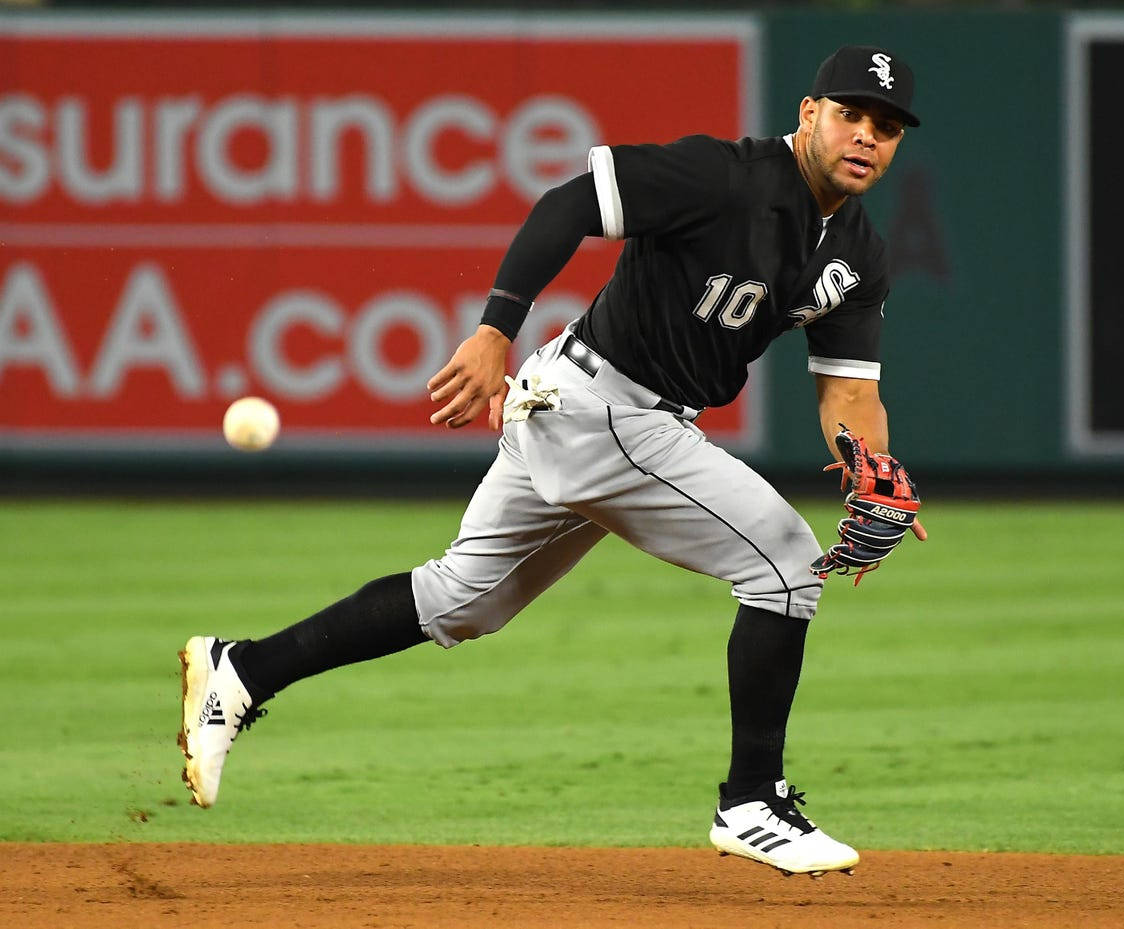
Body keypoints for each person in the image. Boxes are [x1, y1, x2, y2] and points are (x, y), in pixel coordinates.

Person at [178, 45, 924, 878]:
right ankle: (752, 799)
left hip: (585, 407)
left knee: (464, 600)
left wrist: (872, 468)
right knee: (787, 565)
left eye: (886, 127)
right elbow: (569, 204)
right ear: (809, 113)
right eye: (852, 114)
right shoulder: (722, 176)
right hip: (605, 411)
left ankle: (240, 669)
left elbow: (850, 396)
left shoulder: (855, 251)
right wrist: (496, 327)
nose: (866, 135)